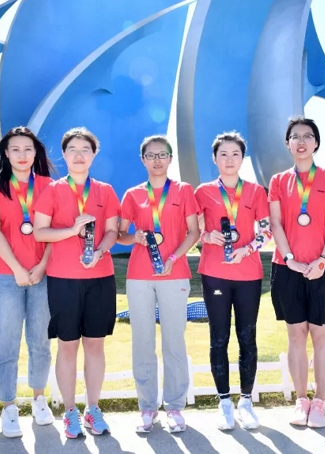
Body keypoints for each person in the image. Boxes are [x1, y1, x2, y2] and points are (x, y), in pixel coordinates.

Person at [33, 127, 120, 439]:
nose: (79, 154)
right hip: (63, 280)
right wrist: (71, 231)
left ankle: (93, 408)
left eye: (85, 149)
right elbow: (40, 232)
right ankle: (70, 411)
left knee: (95, 345)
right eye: (73, 149)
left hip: (100, 278)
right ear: (64, 154)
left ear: (94, 155)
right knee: (67, 346)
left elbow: (112, 231)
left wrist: (99, 252)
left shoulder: (105, 191)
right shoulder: (51, 190)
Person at [117, 135, 200, 433]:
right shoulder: (132, 195)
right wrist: (135, 237)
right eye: (151, 155)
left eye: (162, 155)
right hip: (140, 276)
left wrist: (175, 257)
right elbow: (119, 235)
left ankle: (175, 406)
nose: (157, 160)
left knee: (174, 342)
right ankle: (147, 408)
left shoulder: (183, 190)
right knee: (143, 342)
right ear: (143, 160)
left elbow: (194, 232)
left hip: (174, 274)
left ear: (170, 159)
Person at [0, 127, 56, 437]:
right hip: (4, 275)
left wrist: (42, 265)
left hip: (43, 274)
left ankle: (39, 400)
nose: (22, 155)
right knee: (7, 343)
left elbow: (56, 230)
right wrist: (17, 269)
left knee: (40, 342)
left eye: (28, 149)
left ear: (36, 153)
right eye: (15, 149)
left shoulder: (50, 186)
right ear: (6, 154)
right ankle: (9, 407)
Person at [268, 117, 325, 429]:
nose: (301, 141)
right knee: (296, 334)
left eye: (308, 136)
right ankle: (301, 400)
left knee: (321, 333)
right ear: (287, 144)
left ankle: (320, 401)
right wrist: (290, 259)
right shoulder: (278, 181)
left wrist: (323, 259)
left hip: (322, 268)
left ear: (316, 143)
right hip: (287, 267)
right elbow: (276, 224)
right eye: (295, 136)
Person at [194, 131, 271, 431]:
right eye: (223, 154)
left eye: (235, 154)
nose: (229, 159)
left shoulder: (256, 191)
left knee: (247, 336)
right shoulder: (203, 192)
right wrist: (206, 236)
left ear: (243, 158)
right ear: (214, 159)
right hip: (215, 272)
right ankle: (224, 402)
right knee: (219, 337)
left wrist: (247, 250)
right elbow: (193, 230)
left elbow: (266, 231)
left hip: (248, 273)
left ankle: (246, 401)